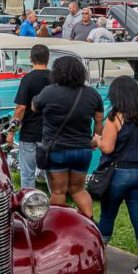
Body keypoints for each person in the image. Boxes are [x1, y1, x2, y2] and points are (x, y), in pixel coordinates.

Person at [94, 76, 138, 274]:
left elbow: (108, 147)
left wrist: (97, 139)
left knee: (108, 216)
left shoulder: (115, 117)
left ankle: (98, 257)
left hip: (119, 174)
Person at [32, 56, 103, 217]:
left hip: (57, 150)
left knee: (58, 191)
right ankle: (90, 224)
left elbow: (34, 107)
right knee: (78, 189)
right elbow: (99, 119)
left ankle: (57, 225)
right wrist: (95, 137)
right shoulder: (92, 94)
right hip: (83, 150)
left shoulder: (49, 91)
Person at [6, 44, 51, 188]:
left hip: (30, 132)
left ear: (31, 59)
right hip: (51, 132)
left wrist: (11, 133)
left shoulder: (27, 79)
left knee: (27, 174)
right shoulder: (55, 78)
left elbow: (20, 108)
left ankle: (28, 203)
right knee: (53, 175)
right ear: (48, 59)